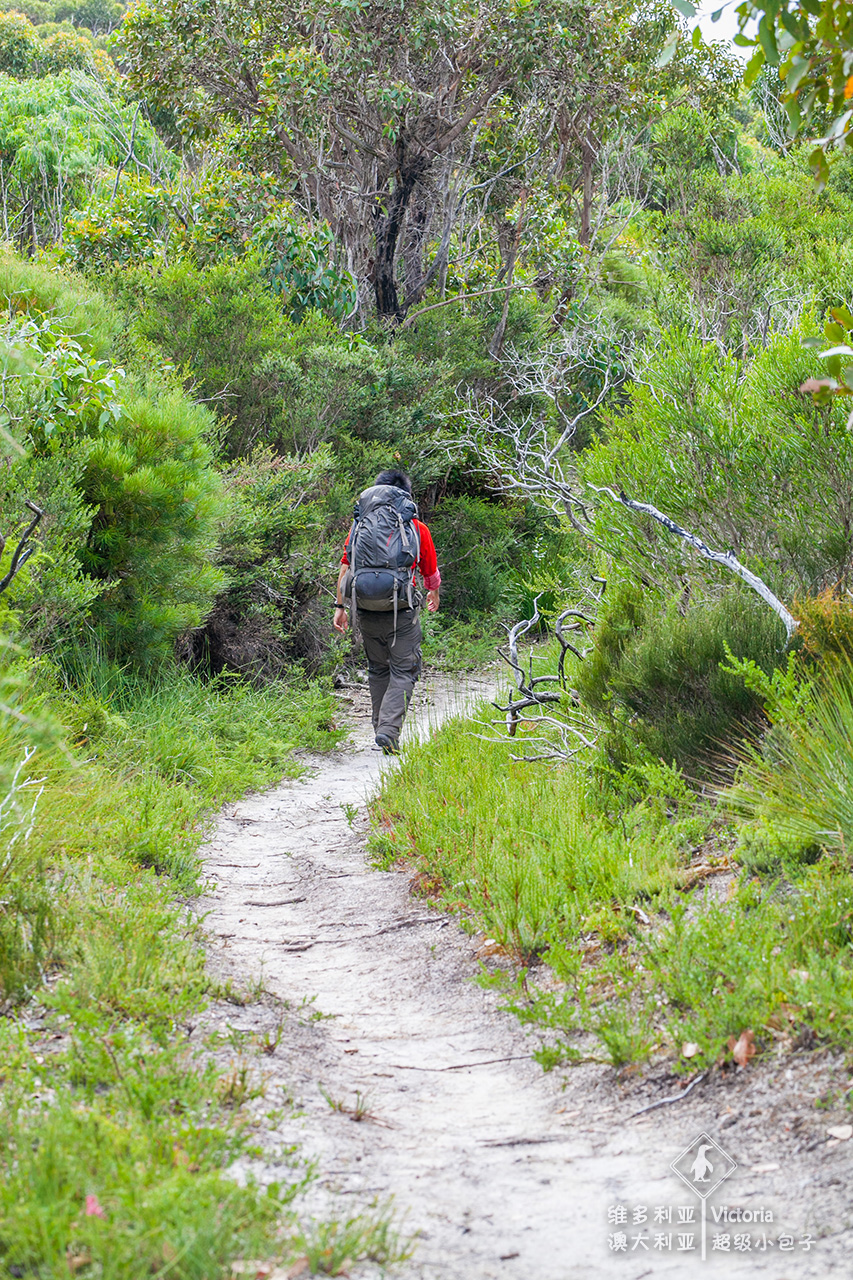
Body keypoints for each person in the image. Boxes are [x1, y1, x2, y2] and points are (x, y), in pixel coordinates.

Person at [333, 469, 440, 753]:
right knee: (405, 669)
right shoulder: (416, 527)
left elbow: (346, 565)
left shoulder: (359, 525)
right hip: (402, 610)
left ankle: (381, 727)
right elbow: (429, 569)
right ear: (404, 493)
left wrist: (340, 606)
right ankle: (389, 731)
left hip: (366, 607)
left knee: (378, 668)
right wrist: (433, 592)